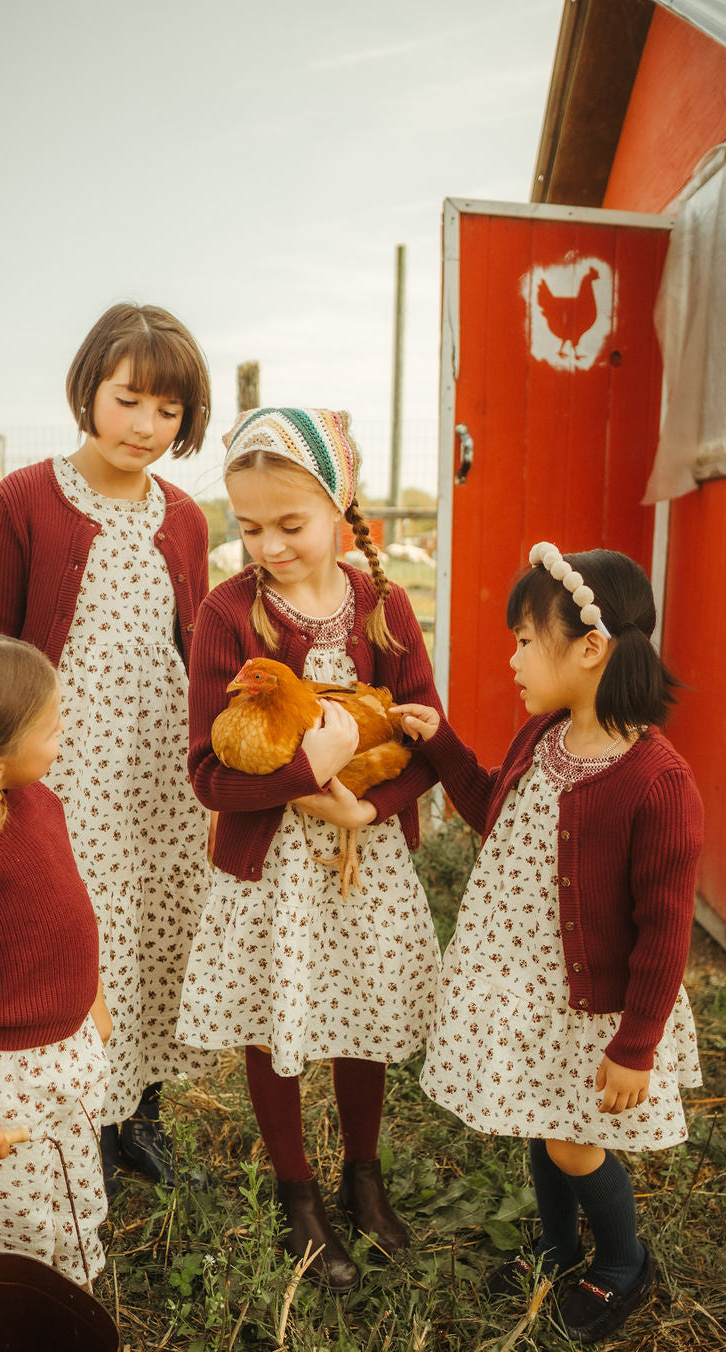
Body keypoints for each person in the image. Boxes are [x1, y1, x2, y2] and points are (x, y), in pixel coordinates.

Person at [393, 543, 703, 1343]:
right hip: (527, 986)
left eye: (527, 640)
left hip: (592, 1007)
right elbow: (489, 809)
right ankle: (558, 1247)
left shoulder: (656, 781)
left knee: (572, 1141)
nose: (514, 656)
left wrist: (636, 1046)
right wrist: (442, 744)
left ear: (591, 649)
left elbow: (666, 932)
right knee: (542, 1120)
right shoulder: (546, 739)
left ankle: (623, 1262)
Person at [179, 407, 443, 1291]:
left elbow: (426, 740)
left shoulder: (386, 605)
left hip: (361, 856)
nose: (268, 545)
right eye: (248, 526)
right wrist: (305, 771)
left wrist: (370, 812)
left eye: (290, 524)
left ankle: (363, 1176)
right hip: (272, 871)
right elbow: (209, 777)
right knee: (276, 1018)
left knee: (361, 1009)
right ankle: (299, 1195)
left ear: (342, 506)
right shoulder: (228, 615)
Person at [0, 303, 214, 1196]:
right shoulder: (29, 499)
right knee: (82, 933)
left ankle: (140, 1111)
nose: (147, 426)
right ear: (89, 391)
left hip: (162, 769)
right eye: (130, 400)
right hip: (69, 768)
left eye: (170, 411)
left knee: (155, 929)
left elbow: (198, 645)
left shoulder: (184, 517)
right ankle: (84, 1119)